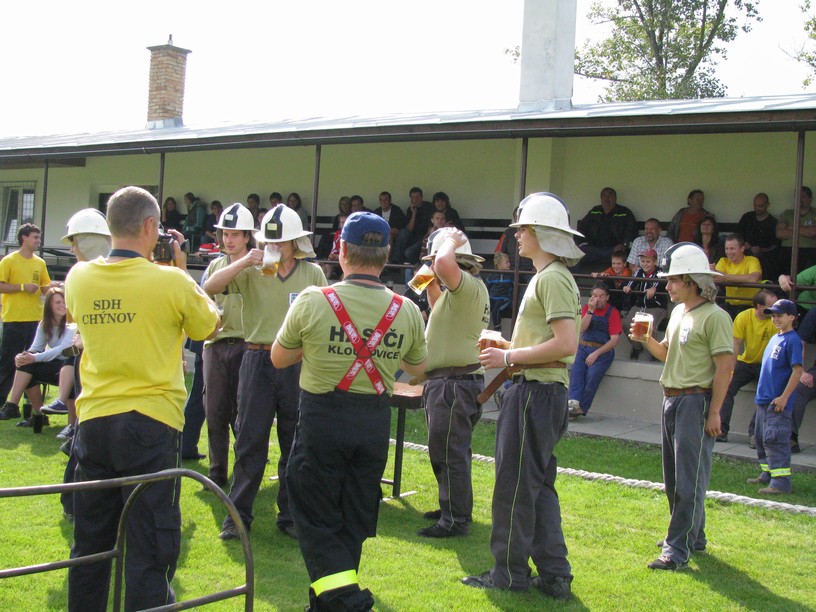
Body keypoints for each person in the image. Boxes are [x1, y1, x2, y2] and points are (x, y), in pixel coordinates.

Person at [65, 185, 219, 611]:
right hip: (150, 422)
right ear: (151, 227)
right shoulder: (170, 280)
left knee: (90, 546)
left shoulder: (78, 277)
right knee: (150, 546)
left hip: (94, 421)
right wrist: (180, 266)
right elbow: (208, 326)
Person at [272, 211, 427, 611]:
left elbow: (279, 357)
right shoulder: (406, 309)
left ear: (341, 251)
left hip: (323, 421)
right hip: (374, 422)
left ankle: (347, 602)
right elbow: (418, 368)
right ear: (387, 254)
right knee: (352, 516)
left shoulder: (313, 300)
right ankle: (325, 605)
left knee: (314, 514)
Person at [463, 192, 582, 600]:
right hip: (541, 392)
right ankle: (554, 574)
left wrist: (508, 354)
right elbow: (552, 342)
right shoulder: (552, 277)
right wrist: (508, 346)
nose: (516, 236)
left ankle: (508, 575)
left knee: (513, 486)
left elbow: (566, 344)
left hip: (536, 393)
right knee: (538, 486)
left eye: (523, 229)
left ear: (541, 233)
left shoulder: (551, 278)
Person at [203, 203, 327, 541]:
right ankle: (238, 516)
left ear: (295, 243)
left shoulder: (312, 274)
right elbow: (209, 288)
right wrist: (244, 260)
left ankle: (289, 515)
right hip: (256, 359)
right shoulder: (251, 270)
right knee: (249, 439)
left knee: (294, 441)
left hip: (297, 362)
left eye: (280, 243)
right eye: (269, 242)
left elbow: (325, 314)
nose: (274, 248)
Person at [629, 241, 732, 571]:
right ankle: (691, 535)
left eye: (673, 280)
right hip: (671, 398)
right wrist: (647, 340)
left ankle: (676, 550)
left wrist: (715, 410)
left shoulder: (716, 317)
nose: (667, 285)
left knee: (689, 479)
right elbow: (667, 354)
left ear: (692, 281)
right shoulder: (677, 313)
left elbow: (726, 366)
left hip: (694, 401)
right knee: (674, 477)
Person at [418, 227, 488, 538]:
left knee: (449, 452)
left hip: (454, 384)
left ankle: (455, 519)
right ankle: (453, 508)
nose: (434, 266)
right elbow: (440, 309)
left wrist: (449, 243)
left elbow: (446, 264)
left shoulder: (468, 285)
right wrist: (431, 283)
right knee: (447, 450)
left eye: (436, 261)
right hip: (451, 383)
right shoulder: (459, 293)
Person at [201, 203, 254, 487]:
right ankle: (216, 473)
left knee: (244, 414)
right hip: (217, 345)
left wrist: (247, 262)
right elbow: (207, 288)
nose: (228, 240)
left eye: (235, 234)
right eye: (225, 234)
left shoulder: (260, 267)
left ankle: (245, 474)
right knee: (215, 410)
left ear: (247, 236)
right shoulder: (215, 265)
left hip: (248, 345)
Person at [746, 299, 802, 495]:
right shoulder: (775, 338)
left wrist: (784, 397)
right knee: (762, 439)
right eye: (774, 315)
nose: (775, 319)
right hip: (764, 400)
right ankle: (767, 474)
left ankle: (781, 483)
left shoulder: (793, 340)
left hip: (778, 402)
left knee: (775, 439)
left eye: (780, 315)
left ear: (792, 317)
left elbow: (797, 371)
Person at [0, 223, 55, 421]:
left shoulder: (39, 263)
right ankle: (4, 404)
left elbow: (43, 288)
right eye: (35, 238)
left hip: (35, 319)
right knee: (8, 362)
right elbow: (1, 286)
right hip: (14, 318)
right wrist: (23, 287)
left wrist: (54, 287)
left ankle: (31, 408)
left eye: (39, 238)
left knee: (33, 363)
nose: (38, 241)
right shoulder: (9, 260)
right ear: (24, 238)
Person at [2, 287, 74, 431]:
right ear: (49, 306)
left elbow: (62, 351)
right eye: (58, 302)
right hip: (55, 364)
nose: (62, 305)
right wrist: (23, 355)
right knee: (25, 365)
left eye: (64, 302)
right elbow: (36, 347)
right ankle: (17, 407)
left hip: (69, 366)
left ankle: (70, 424)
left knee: (31, 363)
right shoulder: (44, 324)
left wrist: (33, 357)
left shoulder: (72, 324)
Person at [717, 289, 779, 444]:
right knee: (726, 387)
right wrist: (730, 371)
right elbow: (735, 345)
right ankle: (721, 430)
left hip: (767, 365)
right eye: (772, 306)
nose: (775, 310)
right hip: (745, 362)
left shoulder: (775, 321)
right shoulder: (744, 317)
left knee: (768, 393)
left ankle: (755, 433)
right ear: (759, 306)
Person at [568, 282, 622, 418]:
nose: (597, 299)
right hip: (583, 346)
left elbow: (614, 340)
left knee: (592, 376)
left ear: (607, 297)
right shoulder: (587, 308)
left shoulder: (613, 313)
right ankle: (572, 404)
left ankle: (581, 408)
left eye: (601, 296)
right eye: (594, 296)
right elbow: (581, 328)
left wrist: (596, 354)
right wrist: (590, 311)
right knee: (576, 373)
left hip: (602, 351)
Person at [622, 249, 667, 360]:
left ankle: (656, 353)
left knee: (651, 327)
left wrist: (654, 288)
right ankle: (637, 348)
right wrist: (628, 287)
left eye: (648, 261)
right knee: (627, 323)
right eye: (643, 261)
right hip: (641, 305)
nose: (644, 264)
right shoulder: (639, 271)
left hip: (657, 306)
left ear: (655, 262)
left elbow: (659, 283)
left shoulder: (660, 272)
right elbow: (632, 282)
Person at [576, 187, 639, 264]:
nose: (607, 198)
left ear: (615, 198)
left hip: (615, 248)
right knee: (575, 253)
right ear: (601, 199)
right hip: (594, 248)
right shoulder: (595, 211)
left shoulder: (624, 212)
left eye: (610, 195)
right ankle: (573, 276)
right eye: (604, 195)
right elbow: (582, 227)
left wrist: (624, 245)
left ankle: (605, 254)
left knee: (617, 253)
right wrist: (579, 242)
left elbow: (632, 230)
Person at [714, 234, 762, 319]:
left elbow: (753, 278)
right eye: (726, 249)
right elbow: (716, 278)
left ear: (742, 249)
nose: (728, 252)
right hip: (729, 305)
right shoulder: (723, 261)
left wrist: (725, 277)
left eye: (732, 248)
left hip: (749, 306)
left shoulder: (752, 260)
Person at [738, 192, 779, 281]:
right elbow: (737, 235)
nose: (757, 208)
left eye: (760, 206)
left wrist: (760, 250)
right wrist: (744, 244)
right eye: (755, 206)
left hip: (764, 256)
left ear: (767, 205)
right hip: (744, 252)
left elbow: (775, 246)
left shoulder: (772, 223)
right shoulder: (747, 217)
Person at [776, 186, 816, 275]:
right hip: (788, 251)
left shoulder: (814, 213)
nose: (799, 199)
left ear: (810, 198)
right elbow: (779, 234)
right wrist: (805, 232)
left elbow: (814, 233)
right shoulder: (787, 213)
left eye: (802, 197)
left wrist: (789, 227)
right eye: (796, 196)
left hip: (810, 252)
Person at [391, 187, 434, 264]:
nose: (416, 199)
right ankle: (396, 261)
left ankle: (417, 267)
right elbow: (409, 229)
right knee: (403, 232)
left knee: (408, 252)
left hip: (425, 237)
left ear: (422, 197)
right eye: (413, 197)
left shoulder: (430, 207)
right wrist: (414, 213)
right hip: (413, 236)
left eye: (418, 197)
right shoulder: (410, 209)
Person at [484, 252, 514, 330]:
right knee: (484, 307)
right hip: (492, 297)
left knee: (496, 311)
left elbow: (515, 288)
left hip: (504, 298)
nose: (509, 264)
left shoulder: (511, 275)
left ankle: (497, 330)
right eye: (507, 262)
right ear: (500, 265)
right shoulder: (492, 275)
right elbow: (487, 288)